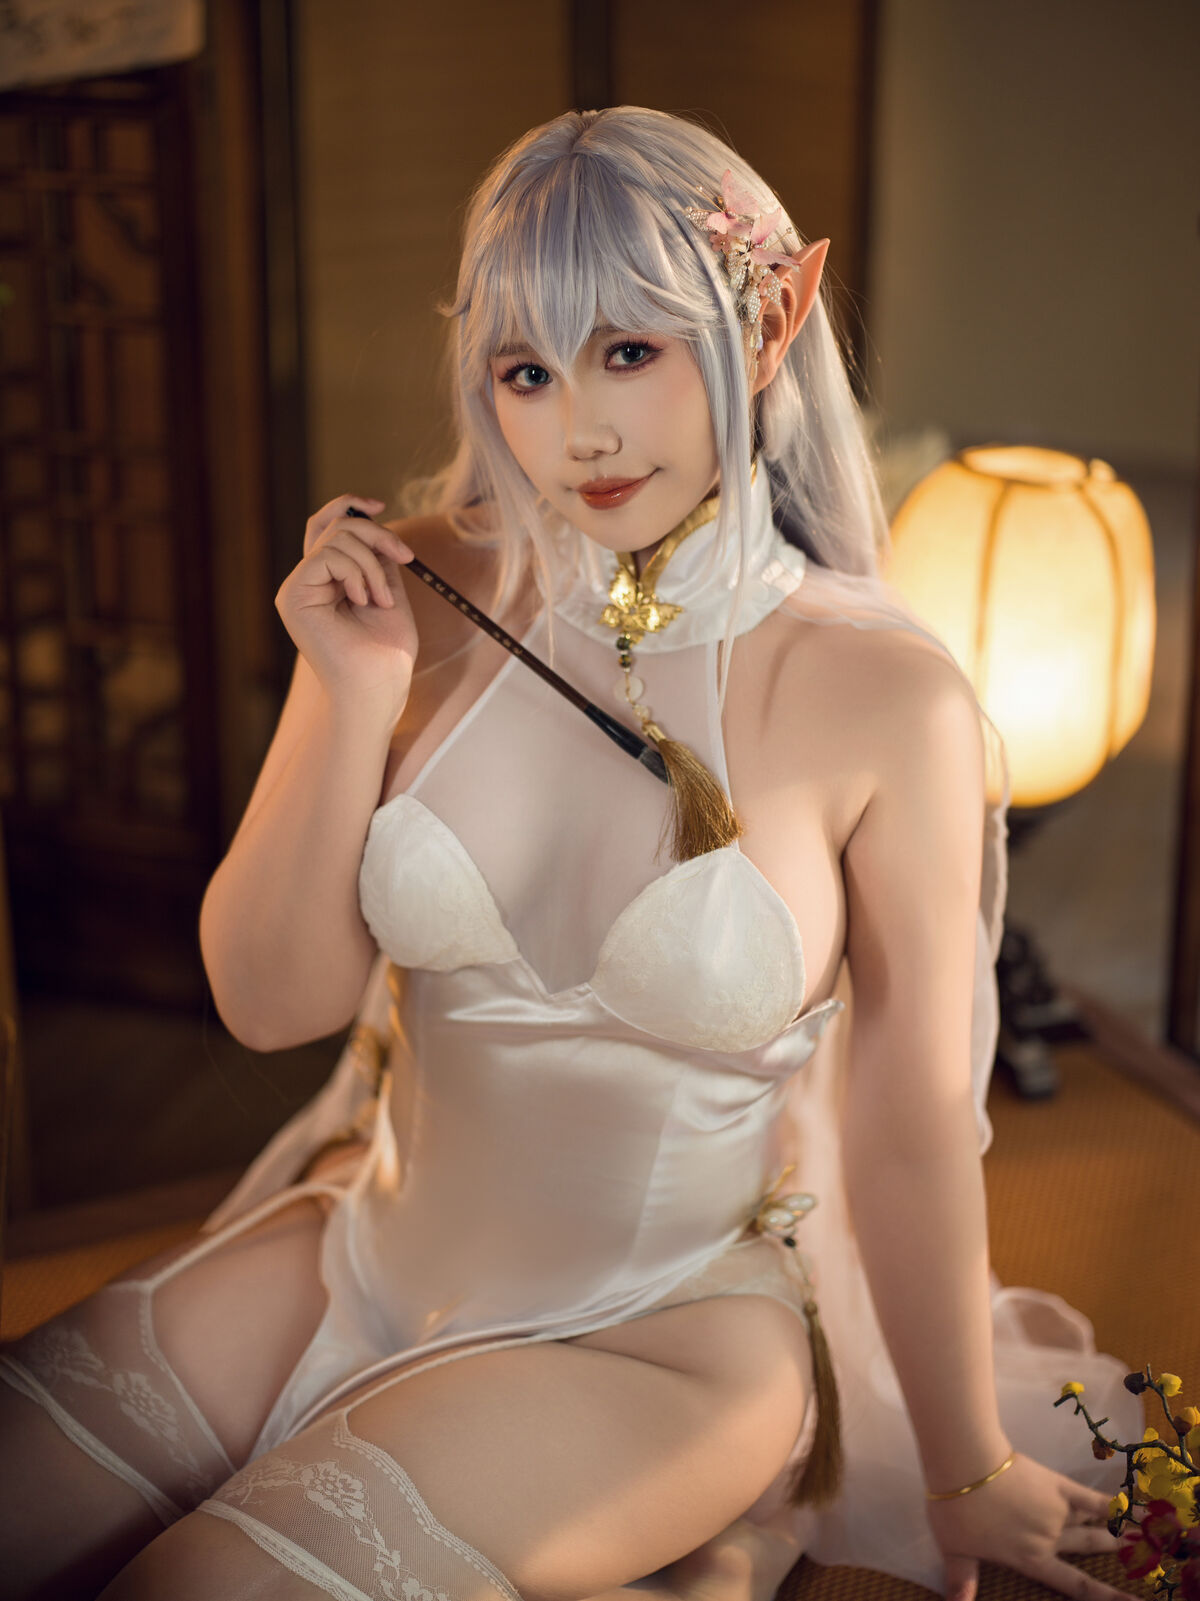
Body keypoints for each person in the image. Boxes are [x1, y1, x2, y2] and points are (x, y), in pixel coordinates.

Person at [0, 106, 1141, 1601]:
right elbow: (272, 1006)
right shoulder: (419, 590)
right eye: (527, 370)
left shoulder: (884, 699)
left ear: (772, 319)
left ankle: (704, 1528)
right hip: (360, 1254)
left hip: (664, 1342)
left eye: (630, 351)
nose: (579, 432)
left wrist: (967, 1468)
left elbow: (913, 1123)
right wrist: (348, 692)